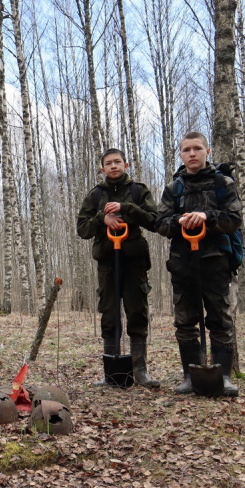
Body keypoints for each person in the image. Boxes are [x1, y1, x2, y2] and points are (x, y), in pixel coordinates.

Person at [155, 132, 243, 396]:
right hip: (182, 265)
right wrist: (179, 221)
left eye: (197, 149)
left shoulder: (223, 183)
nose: (192, 154)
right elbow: (160, 223)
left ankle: (223, 377)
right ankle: (190, 376)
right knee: (185, 322)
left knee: (220, 319)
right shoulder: (173, 188)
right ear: (181, 155)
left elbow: (234, 219)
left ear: (207, 151)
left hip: (216, 263)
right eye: (186, 150)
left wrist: (207, 216)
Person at [76, 148, 160, 387]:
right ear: (102, 168)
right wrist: (102, 219)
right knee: (110, 316)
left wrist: (126, 208)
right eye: (109, 163)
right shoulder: (95, 195)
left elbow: (155, 221)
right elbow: (82, 229)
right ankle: (111, 373)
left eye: (118, 162)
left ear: (126, 165)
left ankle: (140, 371)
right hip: (107, 264)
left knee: (137, 314)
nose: (113, 166)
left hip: (134, 262)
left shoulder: (138, 191)